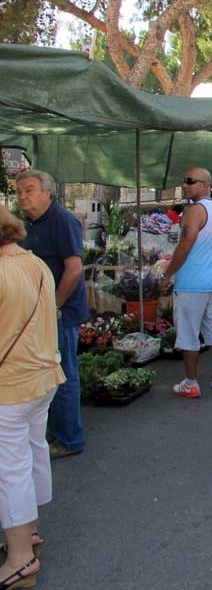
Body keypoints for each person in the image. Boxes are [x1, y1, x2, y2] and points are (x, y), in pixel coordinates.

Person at [0, 206, 64, 589]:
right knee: (33, 451)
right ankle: (30, 530)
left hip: (10, 385)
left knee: (10, 470)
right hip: (43, 378)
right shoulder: (36, 264)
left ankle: (21, 558)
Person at [16, 170, 87, 460]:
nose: (23, 196)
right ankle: (56, 431)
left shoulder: (62, 220)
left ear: (48, 192)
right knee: (48, 373)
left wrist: (54, 306)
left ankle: (69, 439)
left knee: (63, 375)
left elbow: (74, 269)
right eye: (19, 191)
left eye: (29, 190)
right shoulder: (28, 224)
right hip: (39, 313)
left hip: (59, 314)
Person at [160, 168, 212, 397]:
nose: (185, 185)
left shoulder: (195, 210)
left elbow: (185, 245)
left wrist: (167, 274)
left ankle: (191, 383)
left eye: (190, 181)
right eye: (184, 181)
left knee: (188, 333)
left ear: (205, 185)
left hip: (192, 284)